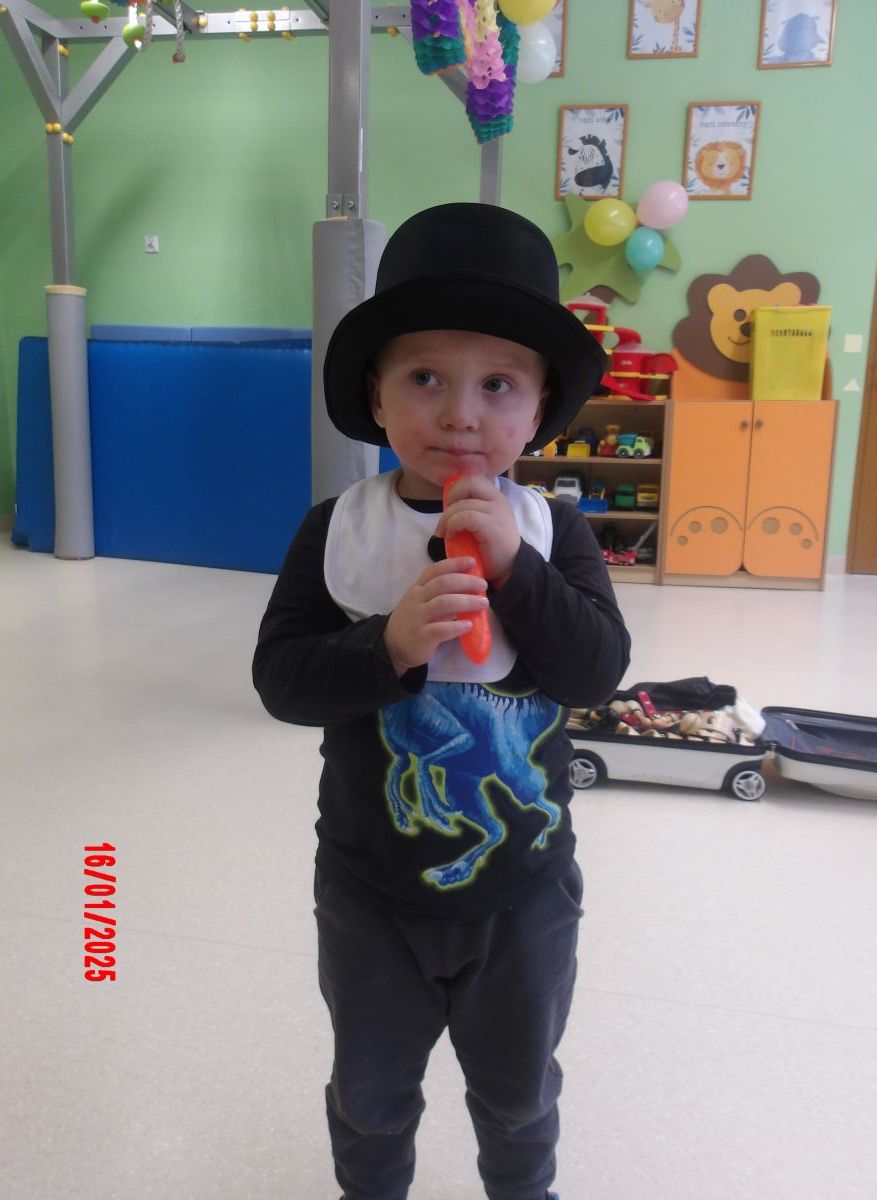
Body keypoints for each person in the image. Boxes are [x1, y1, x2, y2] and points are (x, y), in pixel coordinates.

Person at [253, 202, 631, 1200]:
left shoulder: (554, 532)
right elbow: (282, 680)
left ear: (538, 409)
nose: (461, 414)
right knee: (372, 1096)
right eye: (425, 377)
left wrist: (517, 571)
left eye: (497, 384)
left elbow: (596, 671)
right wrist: (387, 644)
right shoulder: (336, 530)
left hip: (524, 893)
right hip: (370, 891)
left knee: (518, 1094)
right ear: (375, 397)